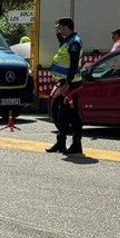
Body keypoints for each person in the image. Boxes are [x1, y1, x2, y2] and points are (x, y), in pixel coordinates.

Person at [47, 18, 84, 155]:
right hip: (66, 83)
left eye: (60, 27)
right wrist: (57, 33)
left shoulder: (74, 42)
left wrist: (67, 83)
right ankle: (61, 143)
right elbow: (62, 47)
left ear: (66, 27)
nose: (59, 30)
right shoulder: (69, 40)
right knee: (63, 114)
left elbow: (74, 64)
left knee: (71, 114)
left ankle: (76, 144)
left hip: (72, 84)